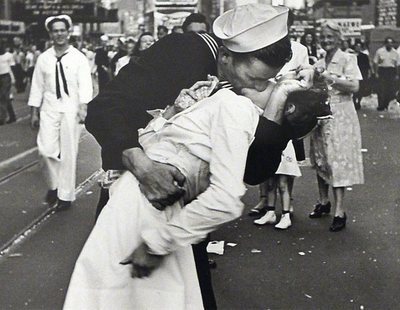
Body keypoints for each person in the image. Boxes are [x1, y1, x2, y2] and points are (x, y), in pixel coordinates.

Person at [64, 5, 311, 308]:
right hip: (139, 198)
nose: (257, 87)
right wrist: (142, 166)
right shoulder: (183, 52)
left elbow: (253, 171)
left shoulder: (246, 93)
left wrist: (281, 115)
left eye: (266, 81)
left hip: (182, 218)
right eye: (254, 77)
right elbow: (105, 109)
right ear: (225, 56)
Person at [28, 15, 93, 209]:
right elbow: (37, 86)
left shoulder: (78, 58)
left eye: (62, 30)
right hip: (49, 107)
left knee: (69, 152)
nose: (59, 34)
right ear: (50, 34)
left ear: (68, 32)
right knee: (45, 150)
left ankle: (65, 195)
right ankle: (54, 185)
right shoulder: (44, 58)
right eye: (55, 31)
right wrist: (33, 112)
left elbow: (85, 85)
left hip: (71, 109)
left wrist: (83, 107)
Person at [309, 21, 364, 232]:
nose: (326, 41)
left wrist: (328, 77)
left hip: (341, 114)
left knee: (337, 160)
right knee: (321, 158)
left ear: (339, 39)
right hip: (321, 114)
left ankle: (340, 210)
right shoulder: (320, 60)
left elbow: (354, 86)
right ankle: (324, 201)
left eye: (330, 37)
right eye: (323, 37)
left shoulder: (348, 59)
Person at [373, 37, 400, 111]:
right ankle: (381, 105)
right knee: (381, 88)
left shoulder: (395, 53)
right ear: (385, 44)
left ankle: (386, 104)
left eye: (391, 43)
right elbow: (375, 62)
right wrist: (376, 73)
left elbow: (397, 65)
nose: (390, 44)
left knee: (390, 89)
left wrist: (397, 74)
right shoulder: (380, 51)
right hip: (382, 70)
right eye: (388, 43)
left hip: (391, 71)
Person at [353, 42, 372, 110]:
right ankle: (354, 102)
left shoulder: (364, 56)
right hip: (353, 74)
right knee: (354, 89)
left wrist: (368, 73)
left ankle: (359, 102)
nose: (358, 48)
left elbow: (367, 66)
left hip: (362, 74)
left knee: (361, 88)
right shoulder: (351, 55)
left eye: (359, 46)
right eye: (356, 46)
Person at [0, 42, 15, 125]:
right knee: (5, 98)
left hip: (6, 77)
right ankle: (12, 116)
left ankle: (2, 118)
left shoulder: (8, 55)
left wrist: (13, 78)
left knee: (3, 96)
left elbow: (12, 67)